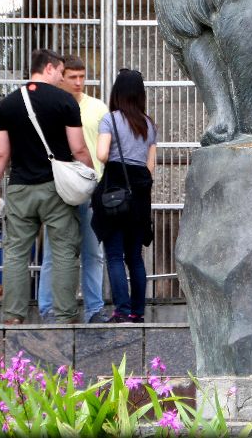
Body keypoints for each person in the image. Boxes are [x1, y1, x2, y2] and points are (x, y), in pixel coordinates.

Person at [0, 49, 93, 324]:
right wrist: (90, 176)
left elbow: (1, 153)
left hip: (20, 188)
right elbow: (79, 148)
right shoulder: (65, 102)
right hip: (56, 190)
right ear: (48, 68)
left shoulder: (8, 104)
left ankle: (13, 316)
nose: (61, 76)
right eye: (60, 71)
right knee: (63, 251)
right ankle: (66, 315)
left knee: (16, 253)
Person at [37, 56, 110, 323]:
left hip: (91, 188)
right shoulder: (51, 106)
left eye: (82, 77)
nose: (79, 82)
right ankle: (47, 308)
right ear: (60, 76)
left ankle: (94, 309)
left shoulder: (98, 108)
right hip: (59, 189)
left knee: (93, 252)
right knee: (53, 253)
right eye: (73, 77)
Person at [92, 68, 157, 324]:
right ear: (140, 94)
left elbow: (102, 154)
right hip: (140, 194)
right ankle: (138, 312)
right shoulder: (149, 123)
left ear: (117, 92)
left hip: (115, 193)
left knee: (115, 254)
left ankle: (121, 311)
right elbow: (150, 165)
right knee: (135, 257)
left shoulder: (110, 120)